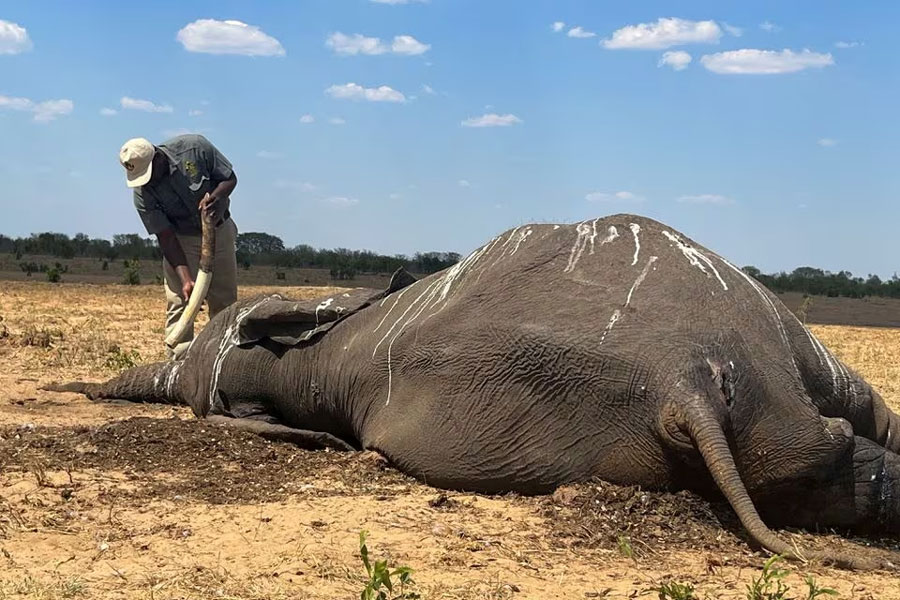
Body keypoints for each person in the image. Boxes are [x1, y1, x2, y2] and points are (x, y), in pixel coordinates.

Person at [118, 134, 239, 359]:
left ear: (158, 158)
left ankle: (225, 359)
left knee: (225, 301)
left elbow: (229, 178)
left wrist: (217, 198)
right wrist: (185, 279)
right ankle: (177, 363)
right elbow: (166, 237)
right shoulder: (142, 194)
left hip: (219, 230)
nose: (147, 182)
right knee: (179, 302)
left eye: (148, 174)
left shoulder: (194, 148)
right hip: (181, 239)